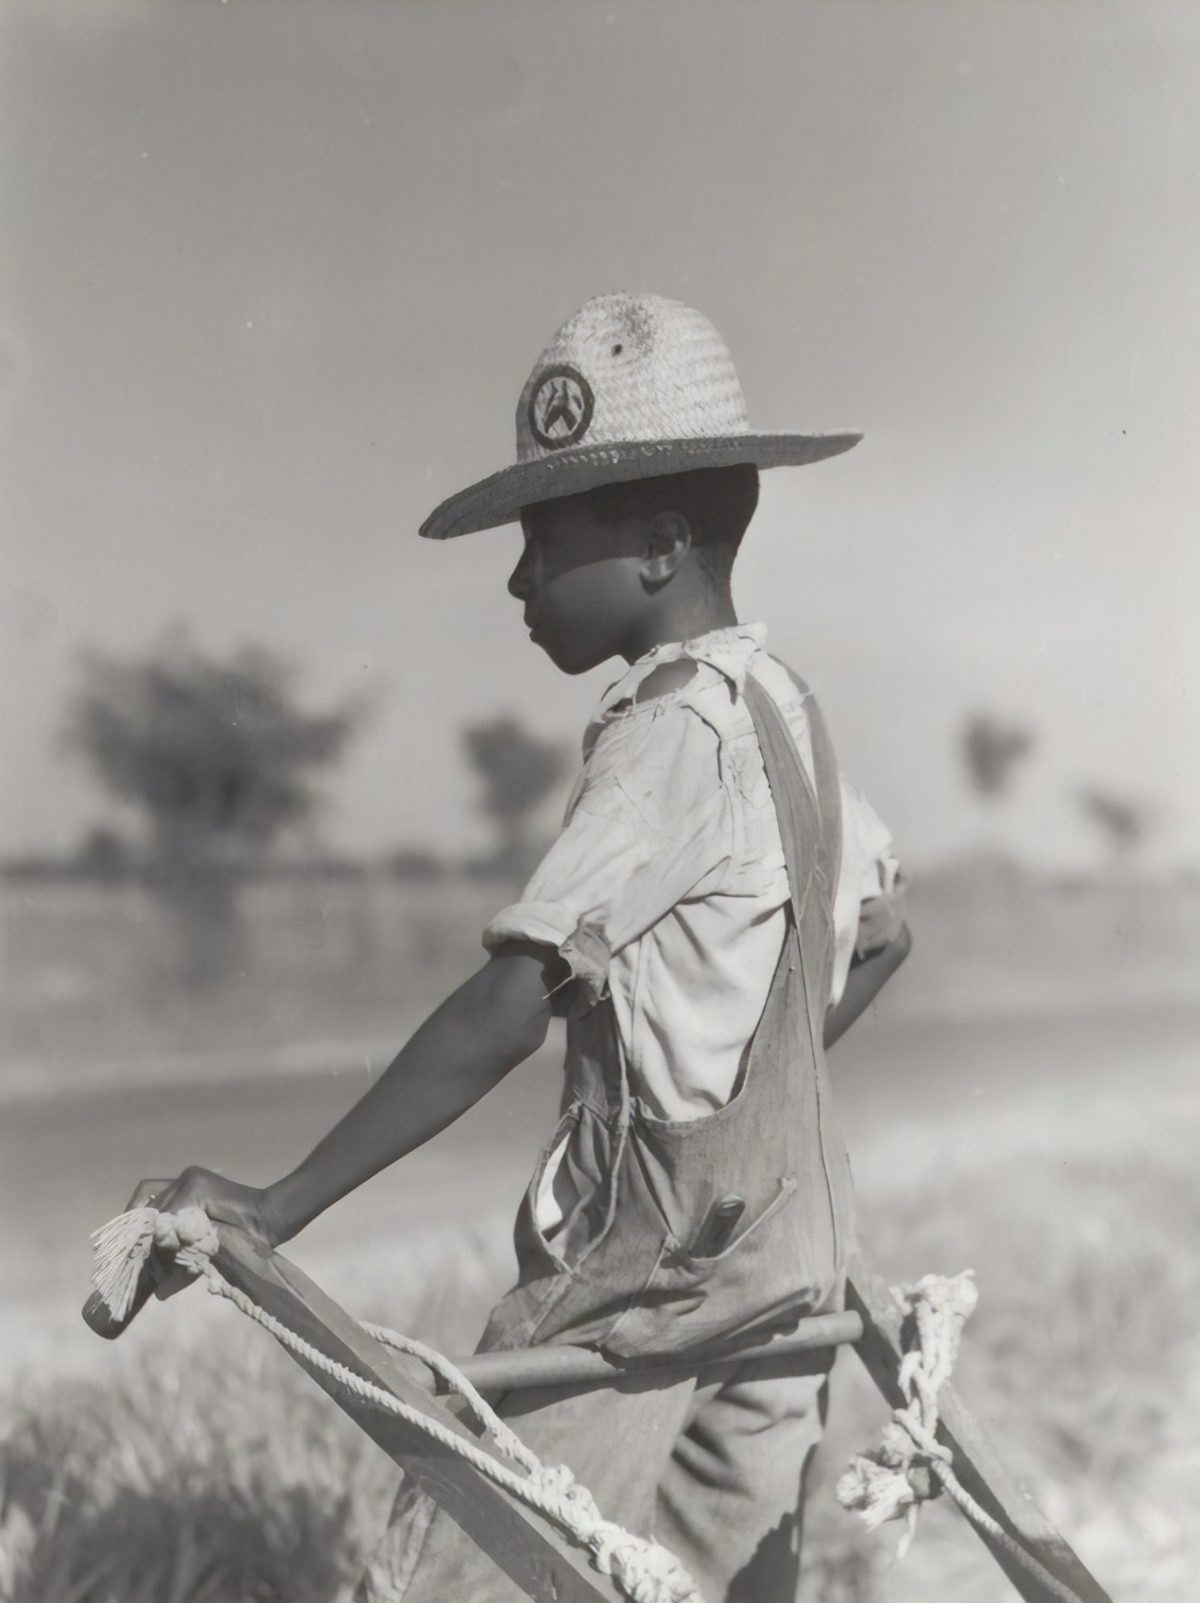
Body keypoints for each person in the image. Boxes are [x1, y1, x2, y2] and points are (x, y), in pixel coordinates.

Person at [144, 292, 911, 1602]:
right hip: (789, 1271)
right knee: (723, 1583)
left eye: (543, 540)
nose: (515, 579)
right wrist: (744, 1090)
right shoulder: (782, 706)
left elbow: (512, 1002)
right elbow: (886, 932)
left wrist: (277, 1206)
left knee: (457, 1573)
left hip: (641, 1292)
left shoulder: (667, 732)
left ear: (661, 544)